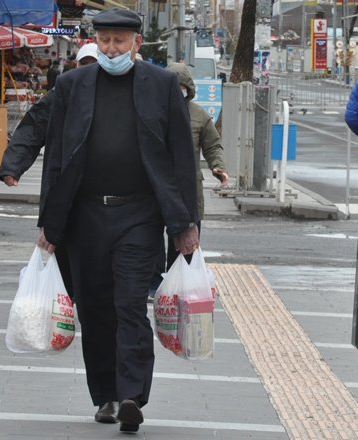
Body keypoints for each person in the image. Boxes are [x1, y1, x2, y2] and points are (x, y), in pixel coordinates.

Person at [36, 9, 199, 433]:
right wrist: (48, 224)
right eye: (105, 41)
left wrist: (186, 223)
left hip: (140, 214)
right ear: (96, 42)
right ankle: (106, 395)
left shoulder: (162, 86)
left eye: (119, 42)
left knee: (129, 304)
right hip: (85, 214)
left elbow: (183, 158)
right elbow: (56, 156)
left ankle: (131, 396)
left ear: (136, 44)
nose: (111, 49)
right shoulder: (71, 85)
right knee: (94, 309)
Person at [150, 62, 229, 291]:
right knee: (152, 238)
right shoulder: (153, 111)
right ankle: (154, 284)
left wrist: (218, 168)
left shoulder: (198, 115)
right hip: (156, 186)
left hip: (188, 188)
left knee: (184, 241)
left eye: (181, 86)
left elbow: (213, 145)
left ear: (188, 88)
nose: (177, 90)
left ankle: (179, 286)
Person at [0, 42, 99, 187]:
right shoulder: (61, 94)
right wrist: (12, 167)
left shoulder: (112, 94)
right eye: (85, 63)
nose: (89, 68)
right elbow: (33, 127)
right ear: (77, 65)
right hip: (64, 177)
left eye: (94, 63)